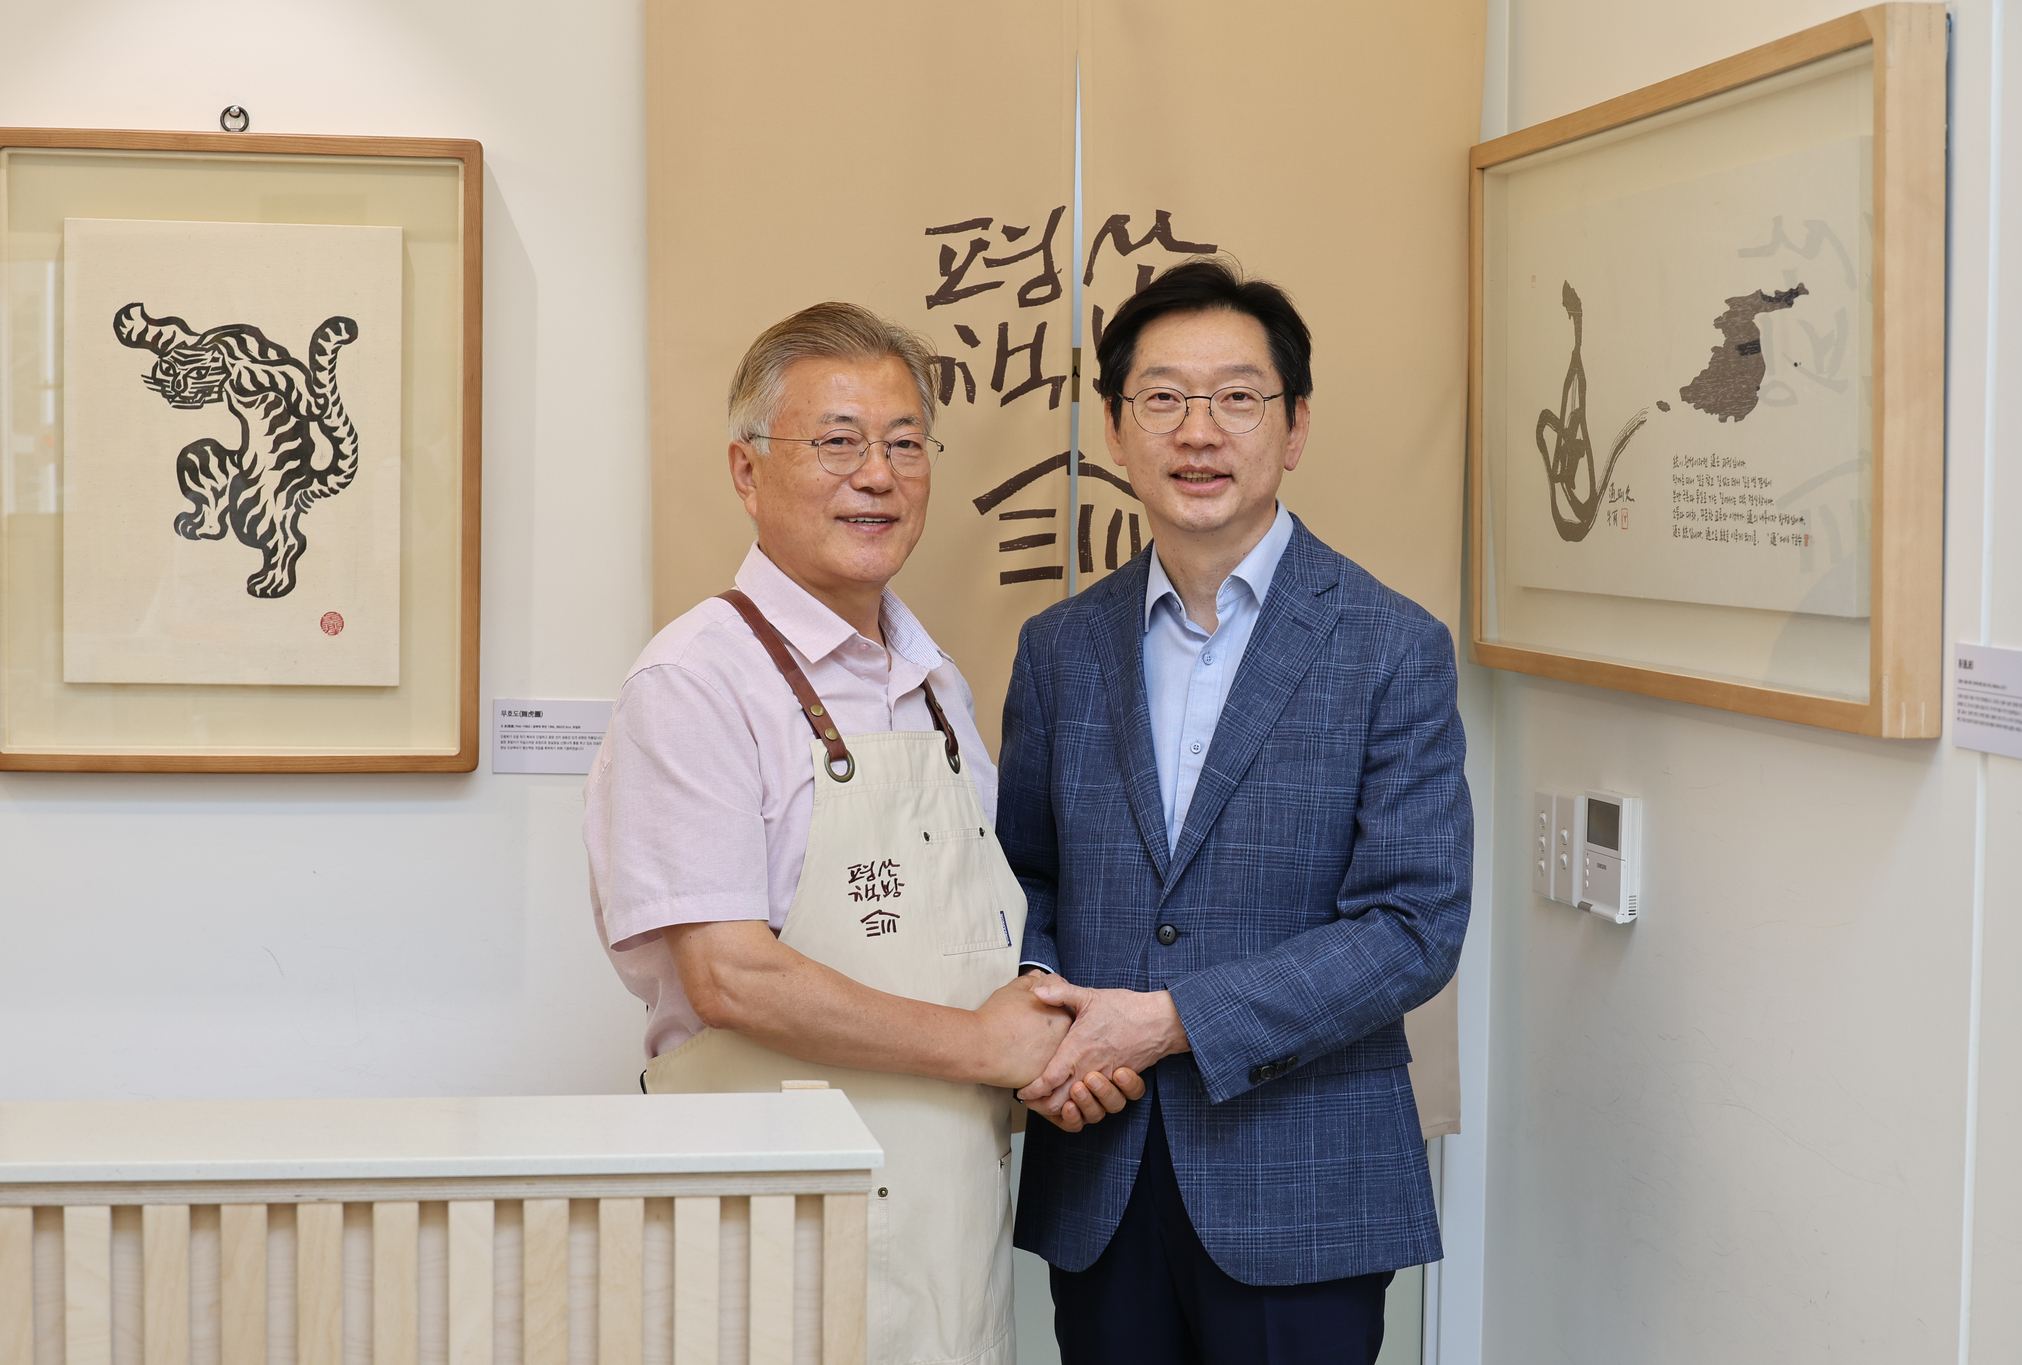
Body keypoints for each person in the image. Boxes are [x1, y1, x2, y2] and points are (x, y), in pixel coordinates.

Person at [584, 302, 1135, 1365]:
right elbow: (730, 978)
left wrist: (1056, 1049)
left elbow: (981, 939)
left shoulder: (933, 688)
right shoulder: (695, 681)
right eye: (837, 442)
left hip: (946, 1224)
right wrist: (987, 1047)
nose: (876, 475)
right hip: (768, 1228)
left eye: (903, 444)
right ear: (746, 472)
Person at [997, 260, 1473, 1364]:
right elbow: (1020, 876)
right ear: (1116, 431)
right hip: (1102, 1164)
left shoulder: (1391, 645)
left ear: (1294, 427)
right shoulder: (1059, 648)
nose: (1198, 431)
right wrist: (1048, 1014)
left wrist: (1169, 1021)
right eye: (1162, 397)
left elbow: (1412, 926)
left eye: (1237, 398)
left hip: (1302, 1178)